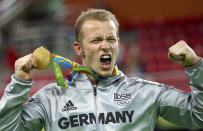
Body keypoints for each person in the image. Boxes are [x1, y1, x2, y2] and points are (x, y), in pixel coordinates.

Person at [0, 8, 202, 131]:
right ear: (79, 49)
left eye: (111, 39)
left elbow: (198, 117)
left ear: (118, 43)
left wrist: (195, 66)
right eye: (96, 40)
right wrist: (18, 84)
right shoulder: (50, 98)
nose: (105, 45)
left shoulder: (146, 92)